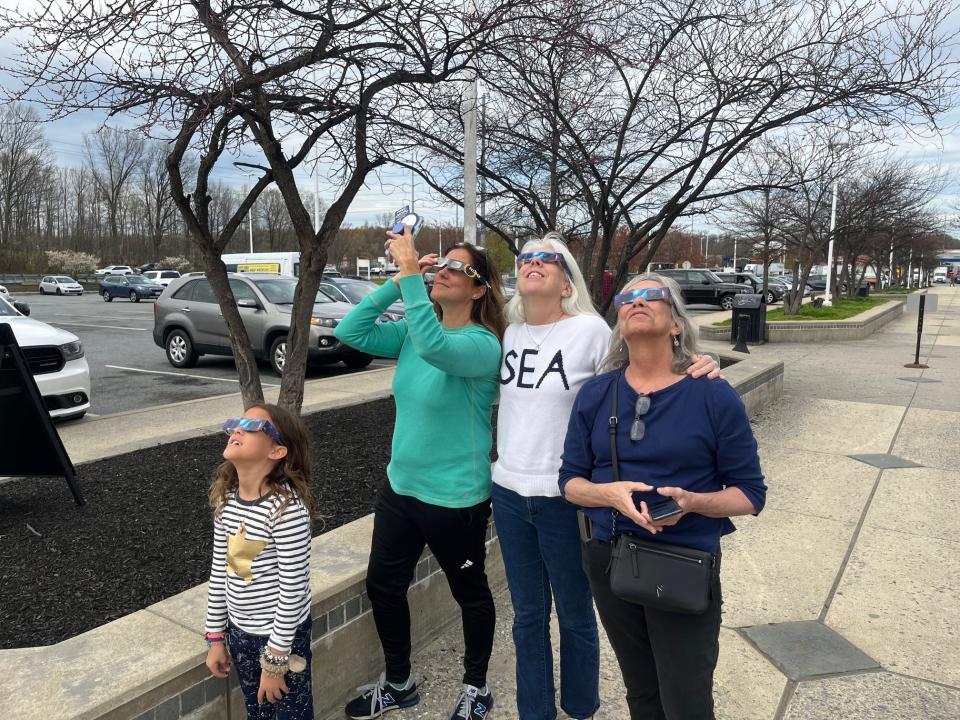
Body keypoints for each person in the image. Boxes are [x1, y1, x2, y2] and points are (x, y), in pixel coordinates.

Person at [494, 239, 721, 720]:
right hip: (510, 492)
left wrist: (698, 362)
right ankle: (535, 712)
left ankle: (580, 708)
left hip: (566, 496)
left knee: (577, 617)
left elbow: (640, 376)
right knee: (527, 618)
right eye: (525, 258)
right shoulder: (510, 332)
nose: (533, 264)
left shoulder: (592, 330)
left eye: (546, 258)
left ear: (567, 280)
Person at [559, 273, 766, 720]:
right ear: (618, 322)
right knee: (641, 690)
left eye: (653, 295)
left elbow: (750, 494)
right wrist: (608, 495)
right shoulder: (597, 393)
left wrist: (693, 503)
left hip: (683, 561)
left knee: (686, 700)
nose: (637, 301)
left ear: (676, 324)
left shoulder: (712, 394)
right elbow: (570, 482)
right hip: (610, 555)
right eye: (627, 297)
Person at [334, 227, 506, 720]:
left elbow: (435, 348)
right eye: (442, 264)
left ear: (479, 290)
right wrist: (397, 282)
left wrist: (413, 272)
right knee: (383, 587)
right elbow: (352, 332)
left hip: (454, 499)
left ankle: (476, 689)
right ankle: (399, 684)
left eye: (460, 267)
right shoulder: (416, 327)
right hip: (401, 489)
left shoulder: (482, 344)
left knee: (470, 595)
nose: (446, 270)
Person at [204, 403, 316, 720]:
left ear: (277, 451)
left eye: (253, 426)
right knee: (258, 711)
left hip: (281, 637)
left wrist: (275, 661)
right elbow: (220, 572)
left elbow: (293, 591)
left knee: (290, 712)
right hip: (240, 632)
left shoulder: (286, 510)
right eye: (237, 422)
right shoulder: (226, 501)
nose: (238, 428)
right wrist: (215, 637)